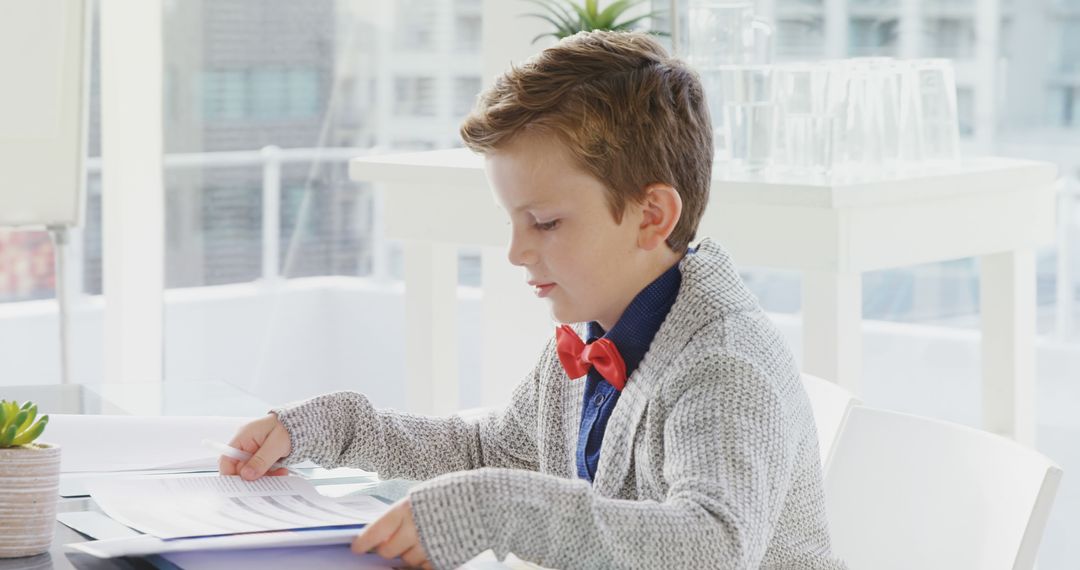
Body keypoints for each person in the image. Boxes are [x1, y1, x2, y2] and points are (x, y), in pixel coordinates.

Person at [221, 30, 846, 570]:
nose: (517, 251)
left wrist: (500, 507)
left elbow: (713, 544)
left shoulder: (723, 366)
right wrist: (340, 430)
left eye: (545, 222)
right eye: (513, 221)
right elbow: (490, 451)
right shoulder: (597, 331)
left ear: (651, 216)